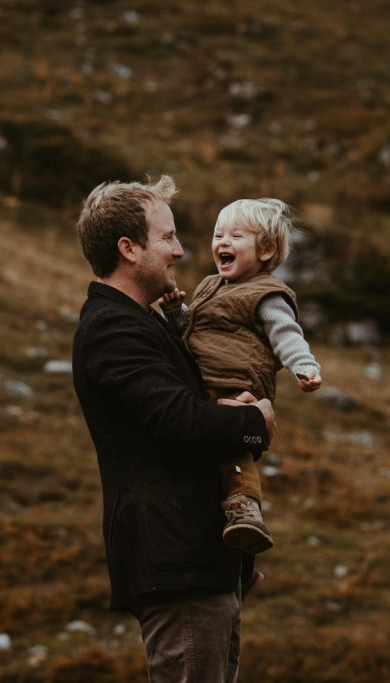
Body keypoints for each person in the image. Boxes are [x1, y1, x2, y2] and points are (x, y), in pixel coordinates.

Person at [72, 175, 276, 683]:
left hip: (201, 564)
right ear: (128, 248)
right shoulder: (111, 329)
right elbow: (180, 422)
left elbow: (182, 410)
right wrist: (255, 422)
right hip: (176, 562)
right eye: (166, 238)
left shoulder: (144, 321)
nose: (181, 251)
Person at [160, 198, 321, 555]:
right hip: (203, 381)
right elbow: (195, 328)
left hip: (238, 384)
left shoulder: (267, 295)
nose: (223, 243)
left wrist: (304, 366)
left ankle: (245, 512)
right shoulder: (209, 285)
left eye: (236, 235)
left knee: (233, 450)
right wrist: (175, 312)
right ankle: (235, 565)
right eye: (218, 235)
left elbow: (286, 334)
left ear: (266, 249)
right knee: (203, 464)